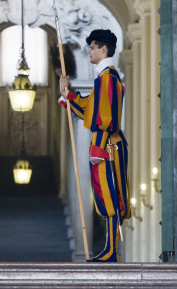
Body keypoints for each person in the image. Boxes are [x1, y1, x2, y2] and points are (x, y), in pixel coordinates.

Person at [59, 29, 130, 262]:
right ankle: (109, 248)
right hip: (105, 146)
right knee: (103, 195)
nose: (88, 51)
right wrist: (67, 94)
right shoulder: (103, 78)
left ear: (104, 49)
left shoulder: (108, 78)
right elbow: (90, 110)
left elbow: (105, 119)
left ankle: (111, 250)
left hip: (107, 147)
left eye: (92, 47)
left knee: (109, 195)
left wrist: (97, 148)